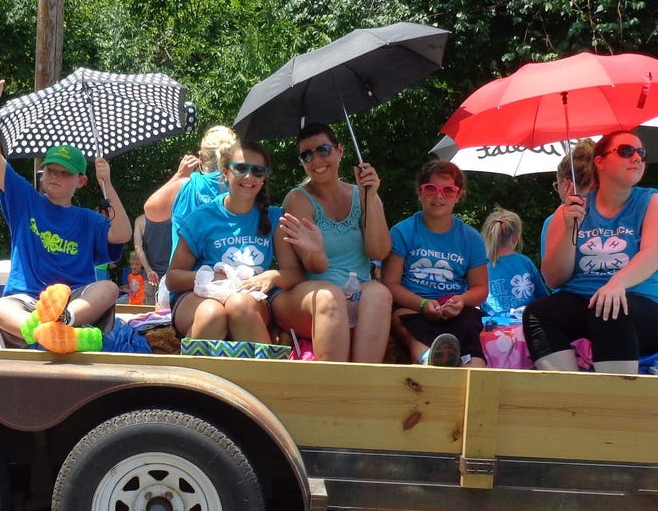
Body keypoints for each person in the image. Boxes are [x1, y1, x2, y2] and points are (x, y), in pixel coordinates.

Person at [0, 65, 132, 353]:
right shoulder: (25, 201)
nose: (55, 176)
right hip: (28, 300)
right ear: (42, 174)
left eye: (65, 173)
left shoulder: (88, 219)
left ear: (81, 181)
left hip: (74, 301)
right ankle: (40, 328)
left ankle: (64, 324)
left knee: (107, 288)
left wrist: (107, 183)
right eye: (50, 170)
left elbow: (122, 234)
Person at [523, 131, 658, 374]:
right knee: (538, 313)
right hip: (583, 302)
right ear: (600, 162)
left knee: (611, 308)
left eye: (641, 153)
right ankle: (568, 394)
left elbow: (654, 253)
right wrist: (569, 230)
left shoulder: (654, 202)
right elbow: (554, 279)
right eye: (626, 151)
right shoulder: (571, 209)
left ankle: (613, 403)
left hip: (642, 306)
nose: (637, 158)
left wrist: (617, 284)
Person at [271, 122, 393, 362]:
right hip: (311, 296)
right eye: (306, 155)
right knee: (331, 296)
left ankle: (363, 386)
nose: (316, 160)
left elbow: (378, 250)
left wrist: (370, 196)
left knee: (379, 293)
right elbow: (314, 267)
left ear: (340, 150)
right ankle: (332, 389)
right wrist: (316, 250)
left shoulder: (362, 194)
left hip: (357, 295)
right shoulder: (299, 199)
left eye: (323, 150)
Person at [165, 140, 285, 343]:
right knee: (212, 314)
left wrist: (272, 276)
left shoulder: (274, 218)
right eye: (240, 168)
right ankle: (193, 373)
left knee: (239, 305)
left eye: (257, 171)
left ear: (264, 177)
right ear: (225, 172)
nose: (249, 176)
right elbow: (173, 279)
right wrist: (211, 276)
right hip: (198, 297)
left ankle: (263, 373)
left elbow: (294, 273)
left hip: (249, 300)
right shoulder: (201, 218)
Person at [382, 160, 489, 367]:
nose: (439, 196)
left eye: (448, 190)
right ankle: (427, 358)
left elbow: (481, 288)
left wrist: (461, 300)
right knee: (402, 322)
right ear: (419, 192)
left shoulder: (471, 238)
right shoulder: (403, 232)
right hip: (412, 307)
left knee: (469, 329)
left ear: (458, 196)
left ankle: (476, 375)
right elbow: (390, 284)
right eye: (431, 189)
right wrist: (422, 304)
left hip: (455, 309)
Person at [142, 125, 238, 245]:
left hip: (186, 263)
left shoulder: (187, 185)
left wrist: (179, 175)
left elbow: (151, 211)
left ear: (202, 157)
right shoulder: (243, 186)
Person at [480, 206, 548, 326]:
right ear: (516, 237)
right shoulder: (524, 262)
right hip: (527, 326)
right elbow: (542, 297)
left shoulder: (480, 266)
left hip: (492, 328)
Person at [131, 213, 170, 297]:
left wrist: (148, 270)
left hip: (150, 278)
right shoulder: (174, 218)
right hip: (171, 275)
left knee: (150, 308)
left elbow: (137, 247)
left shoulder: (140, 220)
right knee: (172, 309)